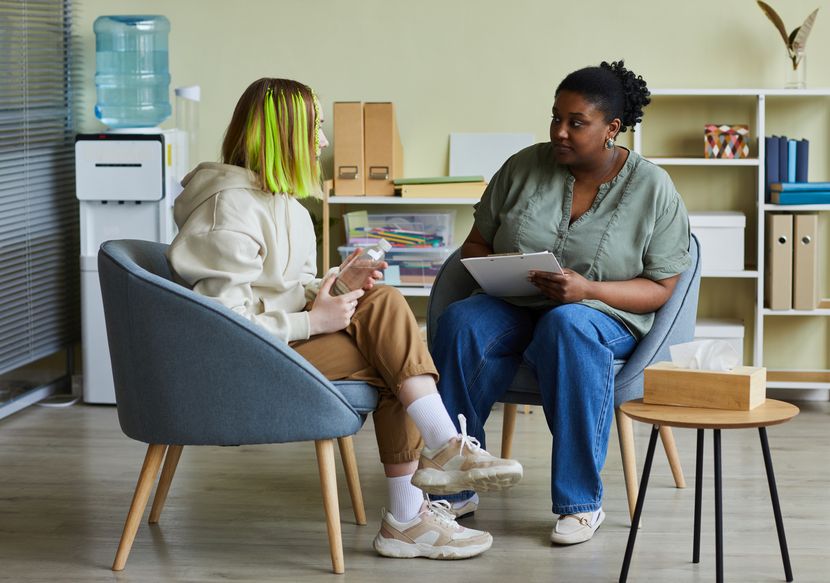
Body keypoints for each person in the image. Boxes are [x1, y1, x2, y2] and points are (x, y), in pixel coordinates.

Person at [166, 78, 522, 560]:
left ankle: (430, 475)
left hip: (279, 345)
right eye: (314, 128)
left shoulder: (286, 206)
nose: (324, 141)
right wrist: (314, 322)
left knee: (386, 318)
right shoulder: (227, 209)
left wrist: (334, 288)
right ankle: (416, 501)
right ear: (284, 135)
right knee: (394, 359)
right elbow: (222, 327)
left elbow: (283, 289)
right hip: (238, 361)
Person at [431, 61, 692, 545]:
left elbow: (661, 287)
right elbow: (475, 245)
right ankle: (457, 484)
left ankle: (581, 502)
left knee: (567, 325)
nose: (559, 132)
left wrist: (588, 291)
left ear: (612, 128)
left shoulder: (653, 187)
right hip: (515, 304)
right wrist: (501, 273)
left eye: (576, 122)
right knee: (462, 321)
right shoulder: (522, 167)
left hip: (605, 314)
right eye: (555, 118)